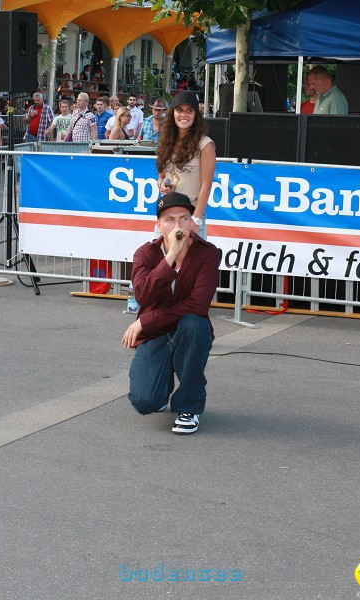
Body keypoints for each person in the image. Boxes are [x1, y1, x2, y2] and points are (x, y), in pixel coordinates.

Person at [121, 191, 219, 435]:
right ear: (159, 225)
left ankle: (189, 406)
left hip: (188, 331)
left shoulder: (207, 254)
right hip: (155, 335)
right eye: (170, 219)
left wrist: (146, 320)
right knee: (145, 403)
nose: (178, 225)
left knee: (194, 324)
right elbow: (143, 295)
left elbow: (198, 305)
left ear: (192, 222)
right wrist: (171, 256)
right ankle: (162, 385)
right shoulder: (146, 253)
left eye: (184, 218)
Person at [156, 91, 215, 239]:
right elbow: (162, 176)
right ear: (172, 113)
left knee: (189, 262)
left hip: (190, 216)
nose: (184, 114)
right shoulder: (166, 142)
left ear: (196, 115)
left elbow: (206, 185)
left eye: (189, 110)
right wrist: (162, 185)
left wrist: (196, 219)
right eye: (179, 110)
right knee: (160, 261)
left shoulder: (205, 144)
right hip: (167, 214)